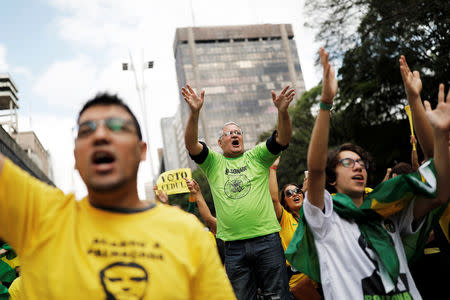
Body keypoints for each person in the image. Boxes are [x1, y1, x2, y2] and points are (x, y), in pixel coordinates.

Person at [0, 93, 235, 299]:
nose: (100, 136)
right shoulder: (41, 218)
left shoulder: (187, 232)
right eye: (86, 131)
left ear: (141, 151)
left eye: (117, 127)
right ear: (75, 156)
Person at [285, 48, 449, 299]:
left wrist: (418, 105)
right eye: (348, 163)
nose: (358, 166)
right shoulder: (325, 219)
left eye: (361, 162)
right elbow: (315, 169)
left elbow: (439, 192)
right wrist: (326, 103)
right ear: (332, 178)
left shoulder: (388, 211)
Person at [183, 83, 295, 299]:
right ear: (220, 142)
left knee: (278, 296)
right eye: (229, 133)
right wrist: (195, 113)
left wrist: (282, 112)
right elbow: (191, 145)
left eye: (238, 132)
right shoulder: (213, 163)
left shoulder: (258, 156)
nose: (235, 135)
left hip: (268, 241)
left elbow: (283, 138)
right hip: (234, 248)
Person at [268, 157, 322, 300]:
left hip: (322, 277)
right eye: (289, 193)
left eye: (297, 191)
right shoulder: (285, 218)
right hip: (300, 282)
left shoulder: (312, 215)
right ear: (285, 202)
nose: (295, 194)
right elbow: (273, 199)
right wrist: (272, 169)